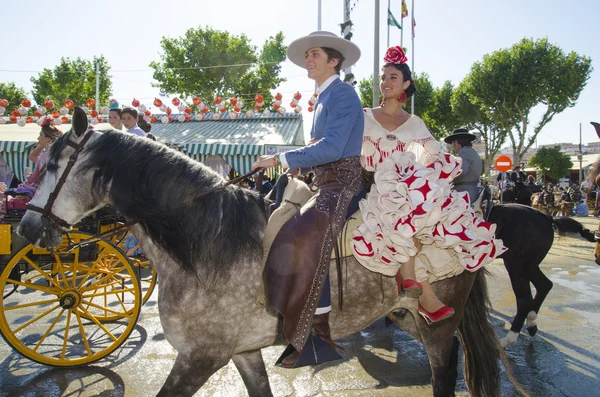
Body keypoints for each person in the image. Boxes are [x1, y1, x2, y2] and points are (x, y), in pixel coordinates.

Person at [351, 46, 506, 327]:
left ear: (406, 84)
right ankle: (421, 290)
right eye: (383, 77)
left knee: (427, 203)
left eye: (393, 77)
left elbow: (433, 155)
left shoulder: (415, 123)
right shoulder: (363, 116)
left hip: (401, 186)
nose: (385, 82)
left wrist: (433, 174)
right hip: (369, 183)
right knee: (408, 203)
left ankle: (412, 280)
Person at [253, 30, 364, 368]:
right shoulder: (322, 99)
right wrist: (299, 168)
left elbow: (331, 147)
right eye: (308, 54)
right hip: (323, 182)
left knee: (304, 235)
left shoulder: (343, 94)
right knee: (279, 222)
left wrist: (280, 159)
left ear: (334, 61)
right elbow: (321, 150)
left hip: (343, 184)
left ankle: (320, 334)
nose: (308, 59)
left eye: (316, 54)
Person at [444, 128, 482, 203]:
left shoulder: (464, 152)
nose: (452, 146)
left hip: (463, 191)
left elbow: (461, 171)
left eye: (452, 144)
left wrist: (446, 176)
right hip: (471, 190)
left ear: (456, 142)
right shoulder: (472, 152)